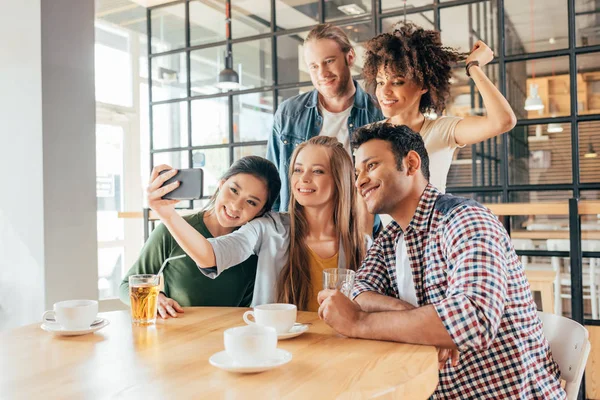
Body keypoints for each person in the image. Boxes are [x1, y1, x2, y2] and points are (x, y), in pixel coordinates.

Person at [318, 124, 565, 398]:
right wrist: (419, 320)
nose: (359, 181)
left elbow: (473, 319)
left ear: (411, 163)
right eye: (357, 173)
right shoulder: (391, 237)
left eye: (371, 165)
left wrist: (359, 323)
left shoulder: (466, 220)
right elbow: (358, 289)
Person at [147, 136, 364, 312]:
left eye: (317, 171)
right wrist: (166, 214)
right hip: (275, 350)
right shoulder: (268, 228)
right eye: (298, 170)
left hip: (338, 352)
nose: (303, 178)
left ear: (339, 180)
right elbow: (210, 255)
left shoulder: (362, 243)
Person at [119, 156, 281, 319]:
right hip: (178, 337)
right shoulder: (173, 230)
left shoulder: (257, 246)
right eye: (233, 190)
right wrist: (157, 299)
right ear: (222, 183)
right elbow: (127, 286)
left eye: (251, 202)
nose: (236, 206)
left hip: (230, 337)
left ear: (261, 211)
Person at [362, 22, 517, 193]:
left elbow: (503, 121)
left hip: (436, 220)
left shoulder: (443, 130)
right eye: (380, 82)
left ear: (423, 85)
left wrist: (473, 66)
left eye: (397, 82)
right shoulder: (369, 134)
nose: (384, 91)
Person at [267, 23, 383, 212]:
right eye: (314, 66)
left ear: (350, 57)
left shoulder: (378, 113)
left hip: (358, 230)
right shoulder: (289, 114)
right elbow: (271, 185)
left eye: (329, 61)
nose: (322, 73)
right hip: (298, 231)